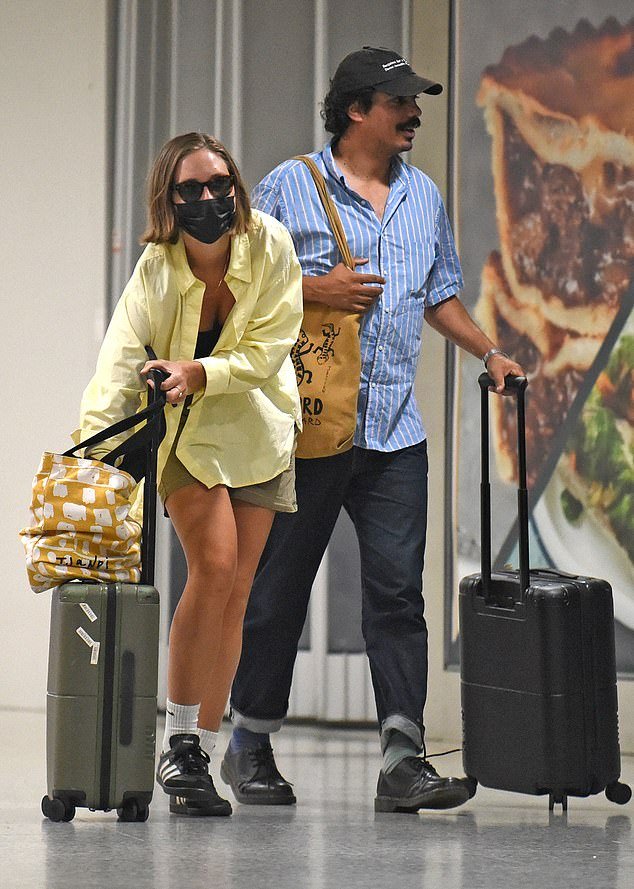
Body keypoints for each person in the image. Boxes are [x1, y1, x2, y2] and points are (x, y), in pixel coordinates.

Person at [221, 47, 524, 814]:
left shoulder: (422, 196)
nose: (413, 113)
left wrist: (490, 350)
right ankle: (249, 742)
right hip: (308, 431)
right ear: (358, 110)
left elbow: (440, 293)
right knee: (279, 591)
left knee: (397, 598)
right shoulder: (291, 186)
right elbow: (233, 283)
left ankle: (401, 756)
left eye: (415, 103)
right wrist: (315, 286)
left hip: (395, 432)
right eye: (400, 103)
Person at [77, 132, 303, 816]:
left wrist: (200, 370)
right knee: (216, 564)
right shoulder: (156, 266)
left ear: (234, 183)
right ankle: (176, 740)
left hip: (259, 423)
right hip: (187, 436)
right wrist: (89, 452)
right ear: (169, 201)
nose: (208, 198)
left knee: (237, 590)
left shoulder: (271, 246)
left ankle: (200, 749)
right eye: (191, 189)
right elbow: (120, 358)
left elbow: (269, 351)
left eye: (218, 184)